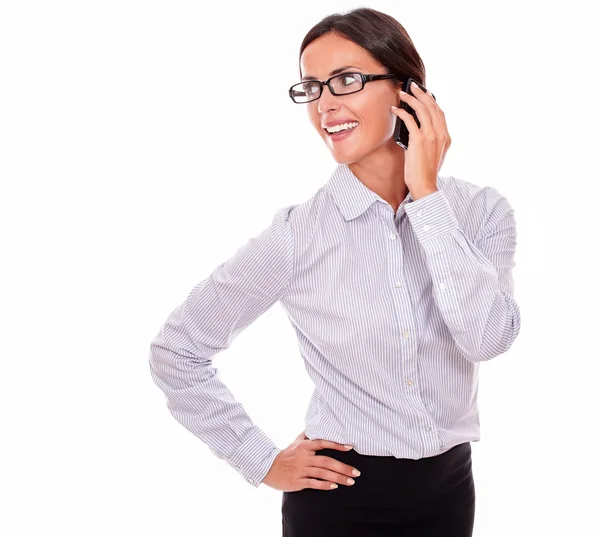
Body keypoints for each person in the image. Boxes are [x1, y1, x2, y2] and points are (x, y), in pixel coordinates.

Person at [148, 6, 521, 536]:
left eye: (346, 81)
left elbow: (486, 338)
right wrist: (262, 460)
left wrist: (427, 197)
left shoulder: (481, 213)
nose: (325, 105)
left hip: (449, 491)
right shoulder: (298, 236)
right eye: (312, 88)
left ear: (407, 92)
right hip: (339, 501)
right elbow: (176, 350)